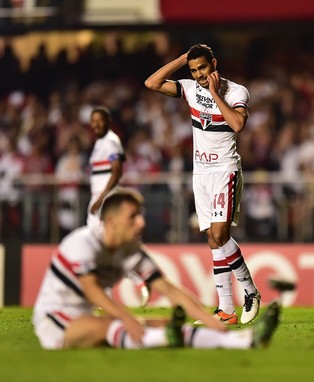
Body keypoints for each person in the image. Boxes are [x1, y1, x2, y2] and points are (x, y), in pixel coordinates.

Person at [32, 187, 280, 350]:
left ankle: (244, 341)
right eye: (132, 216)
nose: (140, 221)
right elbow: (92, 291)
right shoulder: (82, 244)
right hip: (55, 322)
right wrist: (127, 317)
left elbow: (169, 289)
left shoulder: (130, 250)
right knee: (118, 327)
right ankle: (158, 338)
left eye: (140, 215)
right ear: (111, 221)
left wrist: (207, 319)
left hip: (85, 319)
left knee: (162, 323)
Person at [145, 43, 260, 324]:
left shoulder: (236, 91)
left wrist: (213, 93)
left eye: (202, 68)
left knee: (220, 235)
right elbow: (152, 82)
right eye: (193, 70)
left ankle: (251, 291)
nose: (198, 75)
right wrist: (183, 59)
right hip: (201, 173)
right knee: (212, 239)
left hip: (225, 171)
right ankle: (226, 310)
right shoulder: (190, 87)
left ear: (214, 64)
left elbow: (237, 124)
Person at [87, 106, 149, 306]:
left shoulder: (111, 142)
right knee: (100, 247)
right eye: (93, 120)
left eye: (100, 120)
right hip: (98, 198)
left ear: (108, 121)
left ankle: (129, 281)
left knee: (101, 245)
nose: (96, 124)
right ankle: (122, 285)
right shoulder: (100, 143)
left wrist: (101, 198)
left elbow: (116, 172)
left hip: (105, 200)